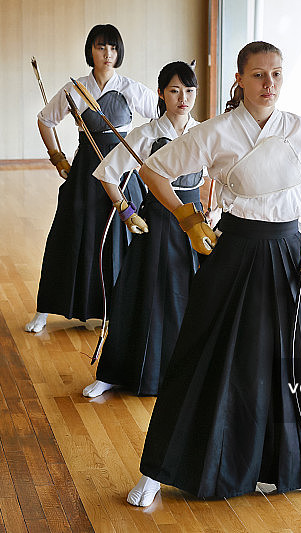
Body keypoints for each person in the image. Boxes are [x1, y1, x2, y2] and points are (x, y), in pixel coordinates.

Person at [126, 41, 301, 507]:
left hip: (288, 252)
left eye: (277, 75)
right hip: (233, 250)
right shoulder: (217, 132)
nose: (269, 84)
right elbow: (152, 170)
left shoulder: (300, 130)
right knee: (202, 352)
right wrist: (188, 220)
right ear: (239, 80)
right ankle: (157, 469)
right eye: (259, 75)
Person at [83, 61, 209, 398]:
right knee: (143, 297)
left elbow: (218, 179)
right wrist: (125, 210)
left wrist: (214, 214)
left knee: (193, 300)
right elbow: (107, 173)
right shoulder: (148, 133)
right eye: (174, 90)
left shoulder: (204, 132)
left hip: (195, 225)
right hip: (158, 223)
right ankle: (116, 371)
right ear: (160, 93)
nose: (183, 97)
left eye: (189, 90)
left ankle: (188, 375)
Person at [25, 24, 158, 333]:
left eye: (112, 48)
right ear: (91, 51)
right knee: (69, 235)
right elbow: (45, 119)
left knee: (120, 239)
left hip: (121, 171)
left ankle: (117, 311)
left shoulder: (130, 88)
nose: (107, 54)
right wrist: (57, 157)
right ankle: (46, 308)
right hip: (86, 171)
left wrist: (144, 149)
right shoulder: (75, 88)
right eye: (101, 47)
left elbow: (160, 116)